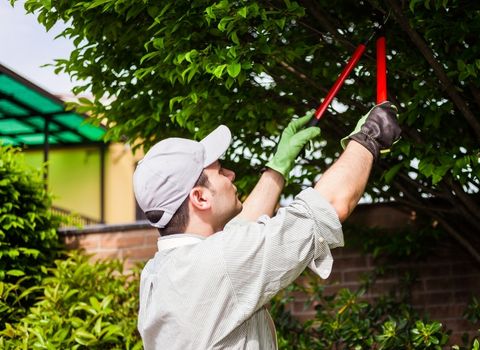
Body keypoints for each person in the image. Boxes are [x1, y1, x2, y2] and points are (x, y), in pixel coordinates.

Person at [133, 102, 401, 349]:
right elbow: (328, 206)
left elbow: (240, 234)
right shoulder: (219, 262)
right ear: (200, 197)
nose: (231, 174)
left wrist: (278, 166)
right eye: (220, 170)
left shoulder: (158, 272)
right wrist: (368, 138)